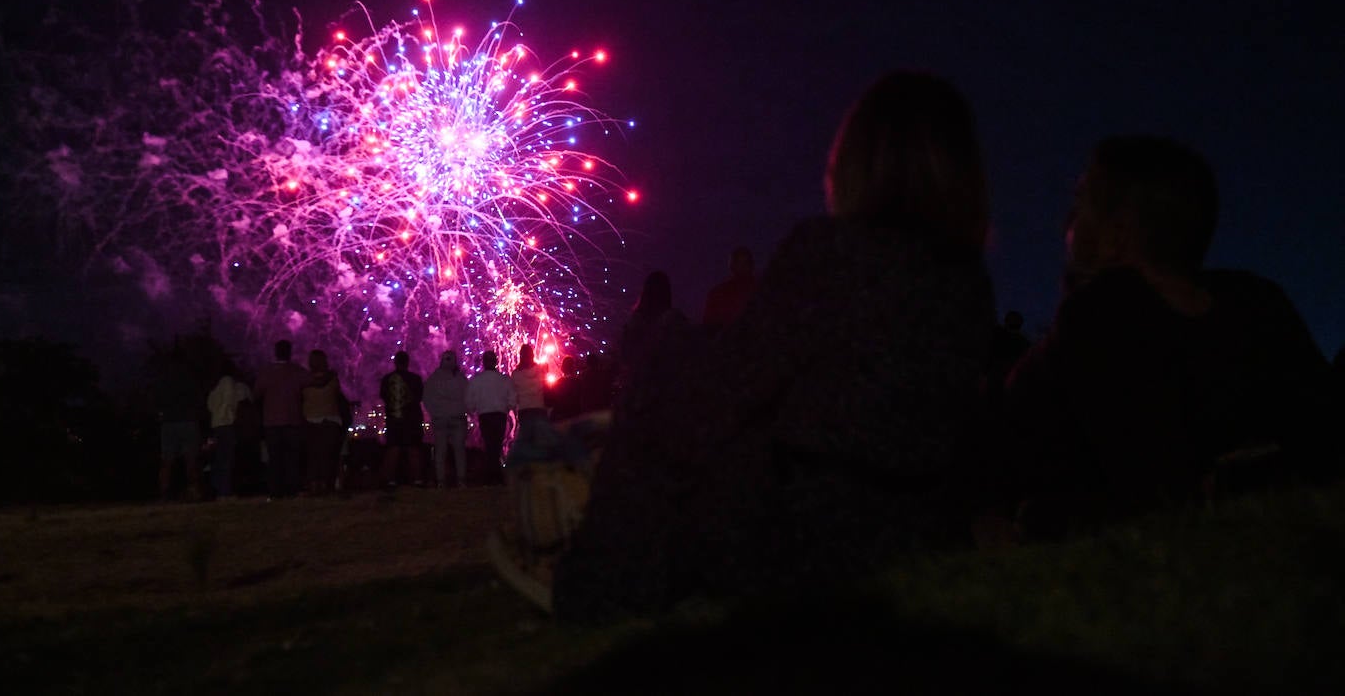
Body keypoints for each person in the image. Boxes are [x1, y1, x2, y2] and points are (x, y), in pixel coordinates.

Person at [492, 70, 997, 620]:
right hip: (917, 529)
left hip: (809, 535)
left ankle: (594, 581)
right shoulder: (968, 284)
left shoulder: (829, 255)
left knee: (671, 373)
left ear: (855, 164)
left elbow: (728, 390)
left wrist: (670, 368)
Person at [986, 135, 1339, 542]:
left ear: (1116, 235)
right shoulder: (1259, 303)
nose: (1067, 221)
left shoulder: (1101, 316)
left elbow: (1154, 491)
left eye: (1080, 202)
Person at [252, 339, 311, 499]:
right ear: (290, 352)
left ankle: (276, 491)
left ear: (275, 352)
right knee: (292, 457)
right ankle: (292, 489)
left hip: (271, 422)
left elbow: (256, 394)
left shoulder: (266, 372)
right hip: (293, 421)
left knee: (274, 458)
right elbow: (312, 384)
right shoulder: (298, 371)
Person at [153, 344, 207, 502]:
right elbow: (199, 400)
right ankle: (194, 492)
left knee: (167, 460)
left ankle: (164, 494)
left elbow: (156, 400)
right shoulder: (190, 377)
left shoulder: (163, 378)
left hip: (169, 422)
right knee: (190, 459)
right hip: (188, 421)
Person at [466, 349, 517, 486]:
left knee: (489, 445)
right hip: (500, 416)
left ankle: (491, 476)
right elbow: (512, 398)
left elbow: (470, 401)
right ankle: (496, 475)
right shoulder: (504, 379)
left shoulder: (477, 380)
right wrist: (508, 407)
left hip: (485, 416)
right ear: (495, 362)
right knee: (497, 444)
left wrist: (473, 411)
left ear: (483, 363)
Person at [301, 350, 346, 496]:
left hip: (310, 420)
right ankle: (328, 486)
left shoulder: (304, 380)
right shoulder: (333, 379)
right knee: (329, 456)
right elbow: (337, 395)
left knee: (313, 456)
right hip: (330, 420)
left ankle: (314, 485)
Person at [379, 351, 426, 489]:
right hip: (412, 420)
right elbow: (419, 397)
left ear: (395, 362)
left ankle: (390, 480)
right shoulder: (415, 379)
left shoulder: (387, 379)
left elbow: (384, 396)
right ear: (408, 362)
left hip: (394, 419)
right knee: (413, 448)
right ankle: (417, 479)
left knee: (393, 448)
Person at [424, 350, 470, 488]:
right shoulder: (461, 378)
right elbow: (469, 397)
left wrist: (435, 413)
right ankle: (461, 480)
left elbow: (426, 399)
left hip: (440, 419)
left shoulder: (433, 379)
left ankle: (440, 481)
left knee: (440, 451)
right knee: (459, 450)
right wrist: (463, 410)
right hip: (458, 418)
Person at [207, 371, 252, 500]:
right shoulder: (228, 382)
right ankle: (224, 491)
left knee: (220, 458)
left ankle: (218, 489)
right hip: (226, 424)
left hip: (217, 424)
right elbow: (230, 401)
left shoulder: (214, 388)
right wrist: (231, 416)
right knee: (226, 458)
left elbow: (210, 406)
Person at [508, 344, 551, 456]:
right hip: (539, 408)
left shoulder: (515, 374)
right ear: (532, 355)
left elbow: (513, 396)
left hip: (524, 410)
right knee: (541, 441)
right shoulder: (540, 370)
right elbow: (547, 387)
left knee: (528, 441)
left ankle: (530, 466)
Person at [700, 245, 757, 329]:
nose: (742, 267)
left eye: (746, 263)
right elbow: (708, 325)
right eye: (738, 263)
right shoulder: (717, 294)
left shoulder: (761, 290)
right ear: (731, 266)